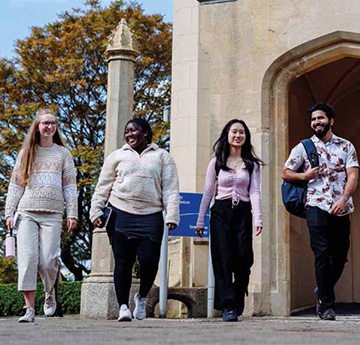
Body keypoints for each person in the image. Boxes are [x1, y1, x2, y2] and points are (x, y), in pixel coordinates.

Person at [90, 117, 180, 322]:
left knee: (149, 261)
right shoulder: (116, 156)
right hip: (120, 212)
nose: (129, 134)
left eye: (134, 130)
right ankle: (123, 306)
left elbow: (171, 189)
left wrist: (172, 214)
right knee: (123, 261)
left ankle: (141, 297)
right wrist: (95, 212)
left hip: (151, 215)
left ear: (146, 133)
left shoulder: (162, 156)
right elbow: (103, 186)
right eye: (127, 131)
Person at [282, 103, 359, 321]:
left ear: (331, 121)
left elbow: (353, 175)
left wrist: (344, 199)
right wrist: (304, 176)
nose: (317, 122)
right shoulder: (304, 147)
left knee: (341, 254)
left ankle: (322, 289)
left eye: (321, 118)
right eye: (314, 119)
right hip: (315, 205)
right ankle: (327, 305)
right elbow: (285, 172)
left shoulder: (346, 146)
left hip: (341, 206)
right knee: (322, 253)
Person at [5, 108, 78, 323]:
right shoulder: (27, 153)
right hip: (26, 212)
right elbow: (15, 185)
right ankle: (29, 309)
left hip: (53, 214)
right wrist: (9, 212)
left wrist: (72, 212)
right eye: (45, 123)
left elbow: (70, 187)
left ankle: (49, 293)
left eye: (53, 123)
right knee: (27, 260)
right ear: (37, 127)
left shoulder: (63, 154)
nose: (49, 126)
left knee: (48, 261)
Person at [196, 119, 263, 322]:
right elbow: (208, 192)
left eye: (242, 132)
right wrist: (200, 220)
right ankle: (228, 306)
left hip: (242, 212)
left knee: (244, 259)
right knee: (223, 259)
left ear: (246, 137)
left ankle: (235, 297)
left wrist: (258, 218)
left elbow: (255, 192)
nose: (238, 135)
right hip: (220, 213)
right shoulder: (216, 161)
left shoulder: (251, 164)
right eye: (234, 131)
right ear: (227, 134)